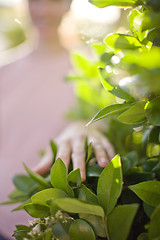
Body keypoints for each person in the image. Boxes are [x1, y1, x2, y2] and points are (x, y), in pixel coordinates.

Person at [0, 0, 115, 238]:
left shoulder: (90, 67)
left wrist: (86, 127)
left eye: (53, 1)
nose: (43, 10)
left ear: (68, 4)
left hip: (55, 227)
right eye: (35, 1)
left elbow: (106, 116)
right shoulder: (4, 71)